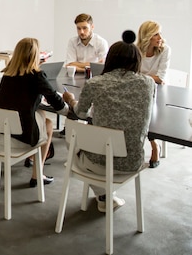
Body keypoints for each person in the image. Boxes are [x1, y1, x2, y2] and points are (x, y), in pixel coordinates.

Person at [63, 30, 155, 213]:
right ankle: (105, 197)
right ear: (137, 61)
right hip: (132, 160)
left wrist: (71, 100)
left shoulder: (95, 83)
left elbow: (81, 114)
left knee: (73, 143)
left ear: (110, 59)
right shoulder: (148, 83)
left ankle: (103, 196)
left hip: (98, 162)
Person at [0, 37, 70, 187]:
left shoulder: (7, 74)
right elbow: (57, 103)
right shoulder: (36, 76)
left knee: (42, 115)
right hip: (21, 136)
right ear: (35, 55)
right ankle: (37, 174)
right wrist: (71, 107)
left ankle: (32, 160)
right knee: (48, 124)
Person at [137, 20, 171, 168]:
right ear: (147, 36)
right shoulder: (136, 50)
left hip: (158, 92)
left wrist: (139, 77)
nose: (160, 38)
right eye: (156, 34)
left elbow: (160, 79)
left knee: (147, 112)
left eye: (160, 34)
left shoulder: (165, 50)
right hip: (139, 90)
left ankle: (154, 146)